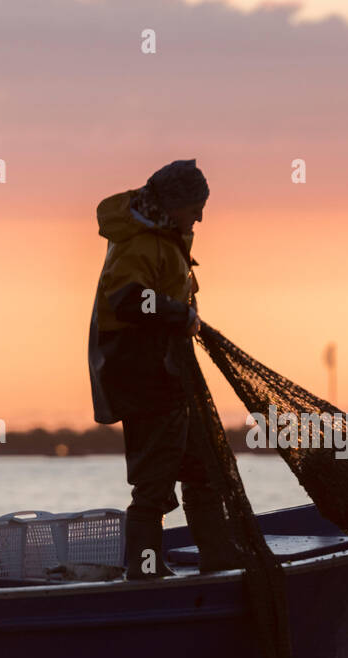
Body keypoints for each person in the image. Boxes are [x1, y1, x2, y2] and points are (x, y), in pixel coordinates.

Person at [87, 159, 240, 579]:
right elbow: (128, 299)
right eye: (195, 206)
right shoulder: (139, 241)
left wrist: (182, 311)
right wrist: (177, 314)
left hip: (172, 377)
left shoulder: (168, 238)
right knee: (153, 485)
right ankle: (145, 572)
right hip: (145, 379)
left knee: (203, 469)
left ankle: (221, 562)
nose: (201, 216)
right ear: (173, 204)